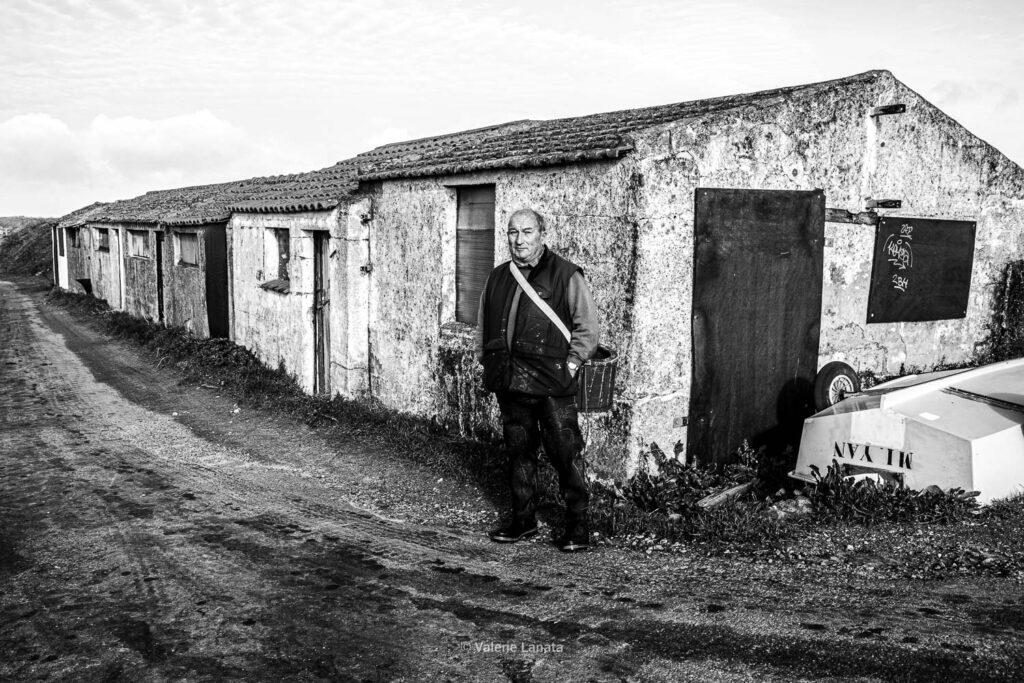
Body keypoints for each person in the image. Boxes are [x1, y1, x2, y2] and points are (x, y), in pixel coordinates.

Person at [476, 208, 600, 552]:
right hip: (511, 382)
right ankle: (523, 520)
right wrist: (485, 361)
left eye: (527, 232)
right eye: (513, 233)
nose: (520, 240)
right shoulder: (498, 276)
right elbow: (483, 326)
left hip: (553, 385)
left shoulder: (565, 274)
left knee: (566, 455)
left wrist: (572, 365)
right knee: (519, 453)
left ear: (541, 233)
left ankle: (578, 527)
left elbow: (588, 329)